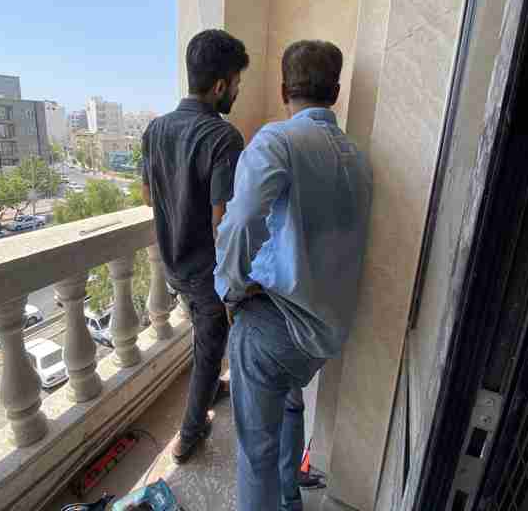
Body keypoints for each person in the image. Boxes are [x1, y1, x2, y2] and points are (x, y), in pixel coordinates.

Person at [214, 40, 373, 511]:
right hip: (323, 331)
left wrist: (230, 290)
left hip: (275, 325)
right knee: (289, 405)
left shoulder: (278, 140)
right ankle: (290, 500)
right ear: (335, 93)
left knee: (255, 454)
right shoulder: (358, 159)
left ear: (284, 90)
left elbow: (242, 220)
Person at [141, 29, 250, 464]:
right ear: (220, 85)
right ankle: (189, 435)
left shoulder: (154, 129)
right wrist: (237, 282)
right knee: (209, 348)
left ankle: (210, 390)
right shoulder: (224, 138)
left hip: (172, 266)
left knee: (204, 341)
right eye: (237, 83)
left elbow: (148, 197)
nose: (238, 91)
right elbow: (222, 221)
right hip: (206, 274)